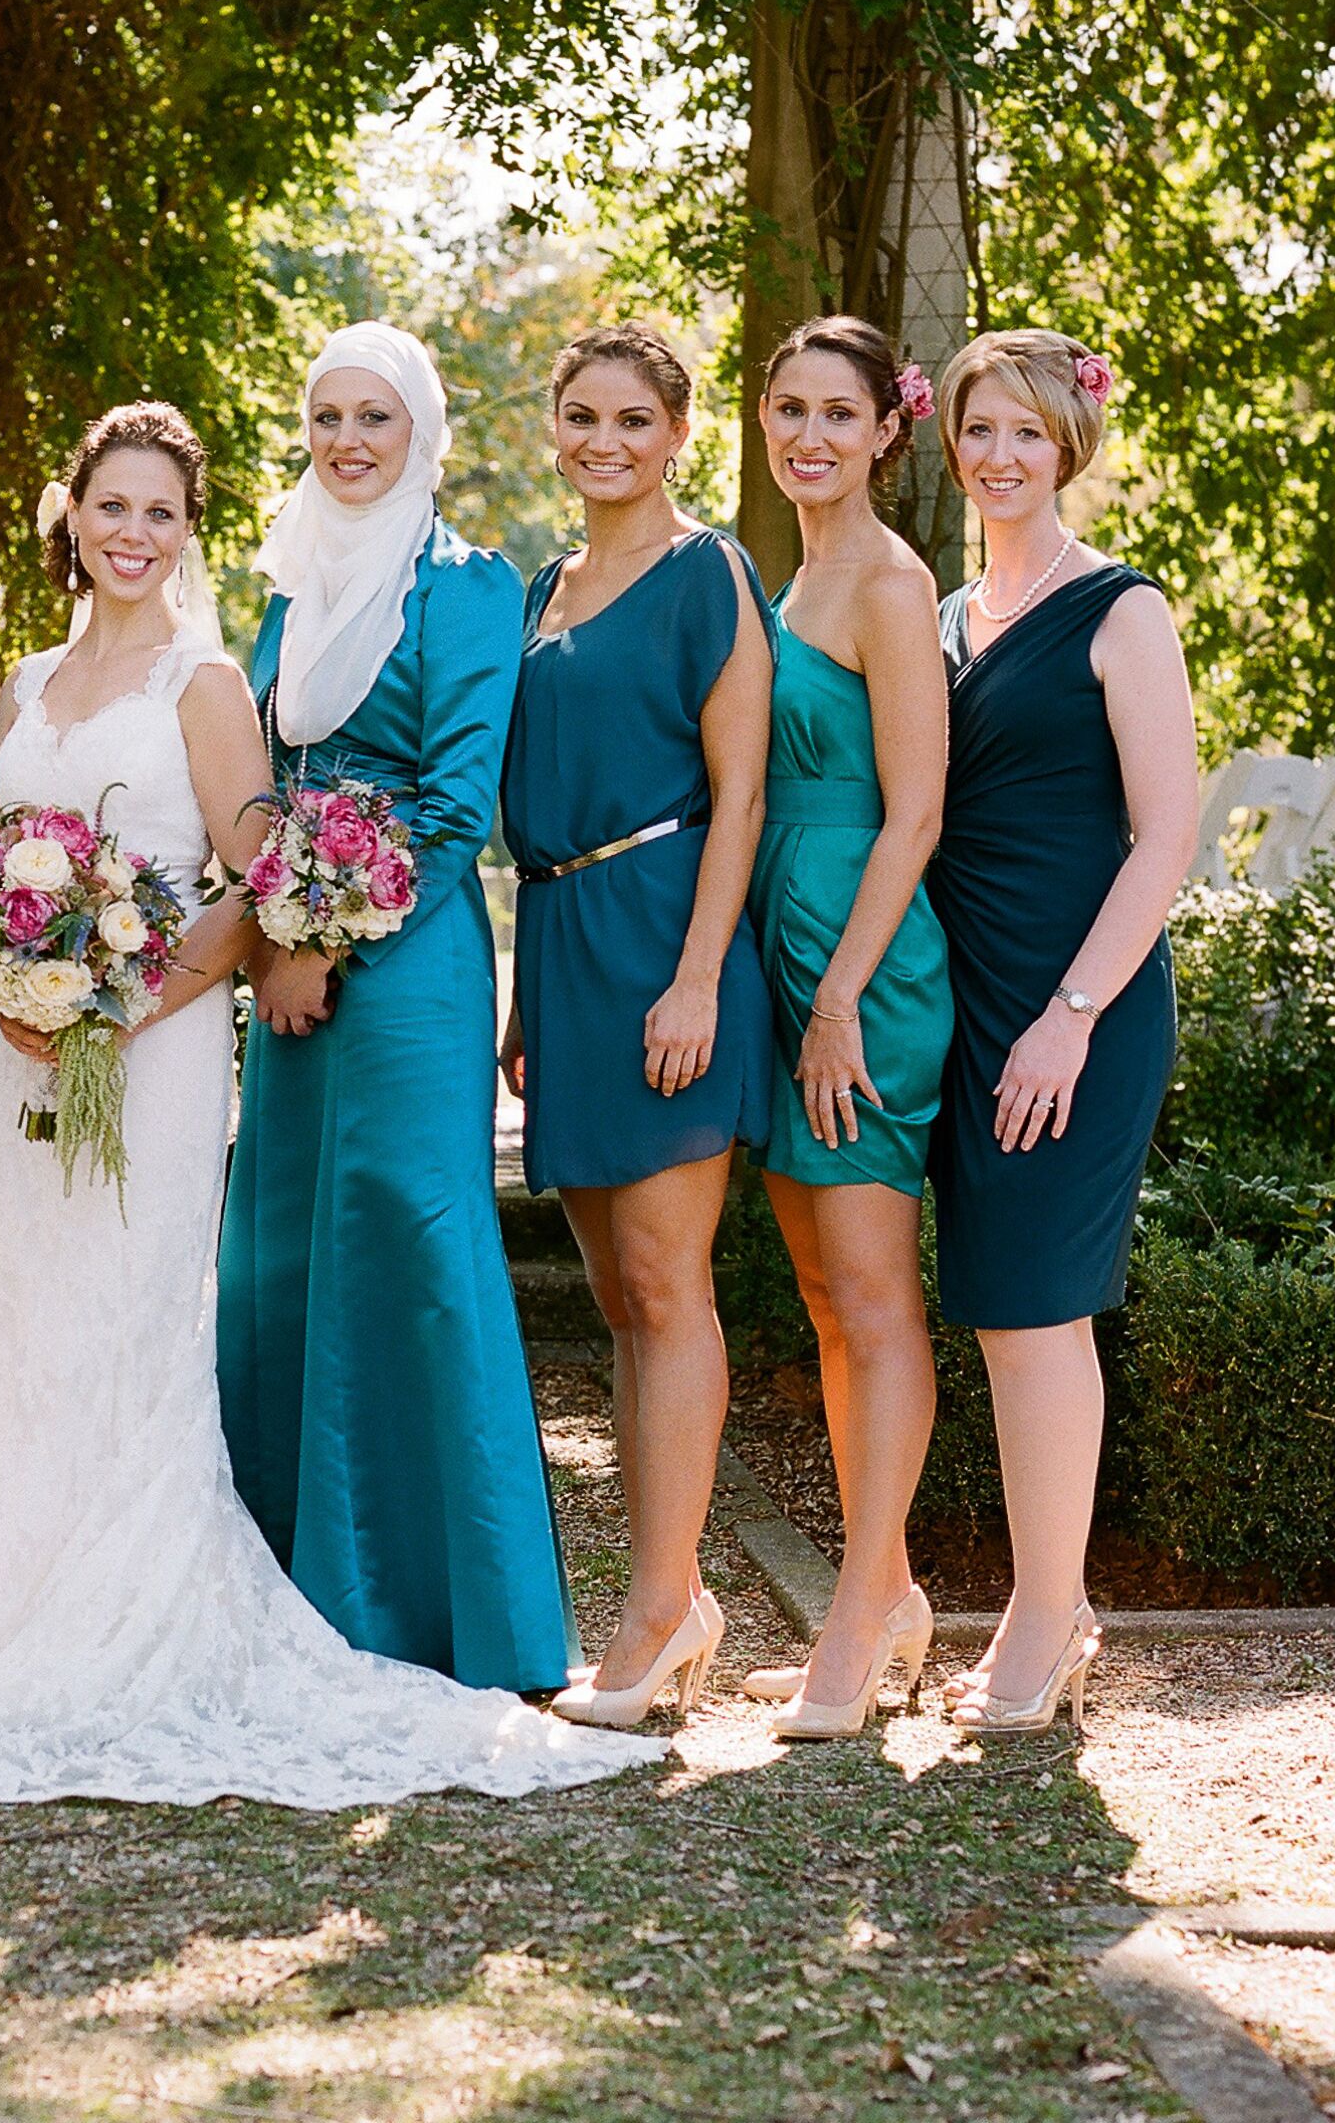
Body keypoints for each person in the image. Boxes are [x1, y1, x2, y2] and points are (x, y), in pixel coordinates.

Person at [0, 404, 658, 1803]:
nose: (131, 532)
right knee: (29, 1315)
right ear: (71, 516)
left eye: (159, 511)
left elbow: (253, 876)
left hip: (149, 1049)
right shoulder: (20, 684)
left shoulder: (209, 684)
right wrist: (15, 982)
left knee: (133, 1316)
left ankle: (141, 1622)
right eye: (111, 506)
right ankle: (4, 1627)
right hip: (19, 1055)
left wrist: (114, 1006)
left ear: (184, 531)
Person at [216, 322, 574, 1696]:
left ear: (422, 430)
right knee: (283, 1258)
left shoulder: (467, 583)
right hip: (287, 964)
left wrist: (315, 941)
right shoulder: (288, 589)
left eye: (377, 417)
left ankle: (462, 1620)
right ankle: (300, 1602)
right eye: (327, 417)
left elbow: (452, 800)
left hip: (408, 961)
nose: (349, 441)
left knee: (415, 1247)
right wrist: (261, 940)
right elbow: (258, 778)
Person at [497, 323, 774, 1727]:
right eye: (581, 416)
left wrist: (699, 976)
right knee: (619, 1298)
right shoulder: (543, 586)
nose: (603, 440)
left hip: (667, 939)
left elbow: (742, 796)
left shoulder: (708, 572)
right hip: (561, 944)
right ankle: (681, 1595)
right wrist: (519, 999)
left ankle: (658, 1613)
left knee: (669, 1288)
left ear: (677, 434)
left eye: (632, 420)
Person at [926, 329, 1198, 1737]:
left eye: (1026, 432)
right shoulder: (946, 616)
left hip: (1074, 1010)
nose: (999, 455)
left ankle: (1047, 1620)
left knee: (1036, 1314)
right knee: (996, 1315)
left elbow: (1166, 836)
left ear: (1068, 445)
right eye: (979, 429)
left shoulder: (1118, 610)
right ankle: (1041, 1608)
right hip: (963, 1009)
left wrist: (1068, 1020)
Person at [736, 316, 959, 1742]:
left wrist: (831, 1003)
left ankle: (859, 1613)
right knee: (825, 1300)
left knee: (872, 1299)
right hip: (776, 952)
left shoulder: (885, 579)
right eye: (789, 408)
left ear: (888, 430)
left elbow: (918, 809)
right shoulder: (788, 569)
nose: (809, 434)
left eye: (839, 413)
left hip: (860, 978)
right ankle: (888, 1593)